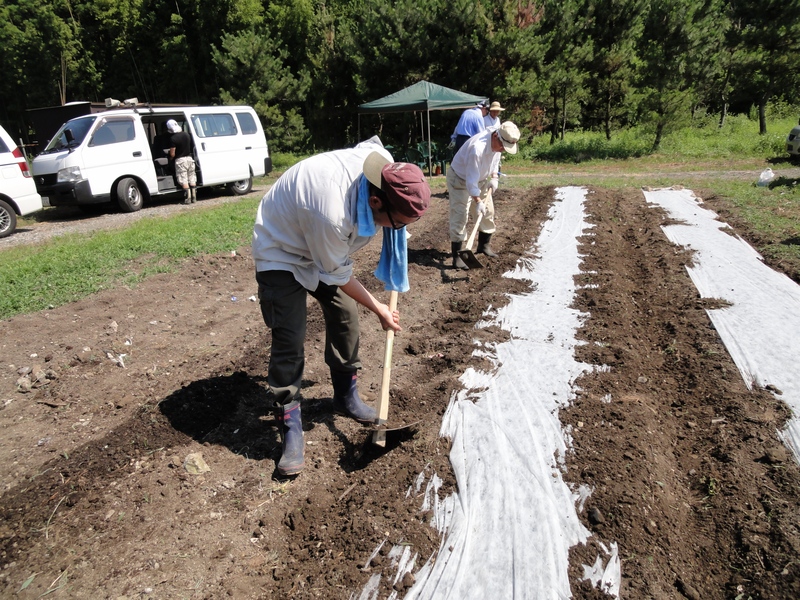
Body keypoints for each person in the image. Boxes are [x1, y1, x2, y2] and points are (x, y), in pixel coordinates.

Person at [252, 137, 431, 476]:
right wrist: (379, 308)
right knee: (290, 337)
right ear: (375, 201)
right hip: (282, 249)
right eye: (399, 222)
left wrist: (399, 227)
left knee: (346, 315)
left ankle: (345, 395)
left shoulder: (384, 167)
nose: (401, 229)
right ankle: (289, 421)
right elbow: (337, 272)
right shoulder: (331, 213)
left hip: (318, 242)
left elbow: (370, 148)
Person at [446, 121, 520, 270]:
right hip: (460, 179)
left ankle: (483, 246)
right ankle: (457, 257)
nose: (503, 150)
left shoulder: (498, 142)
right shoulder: (477, 149)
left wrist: (494, 177)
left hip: (480, 179)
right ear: (496, 137)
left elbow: (495, 159)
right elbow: (470, 182)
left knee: (488, 212)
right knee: (460, 215)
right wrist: (478, 201)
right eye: (503, 146)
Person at [167, 119, 197, 204]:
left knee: (183, 178)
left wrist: (170, 158)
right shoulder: (186, 135)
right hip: (189, 159)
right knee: (192, 177)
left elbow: (172, 154)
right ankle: (194, 197)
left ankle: (188, 198)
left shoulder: (173, 138)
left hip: (180, 160)